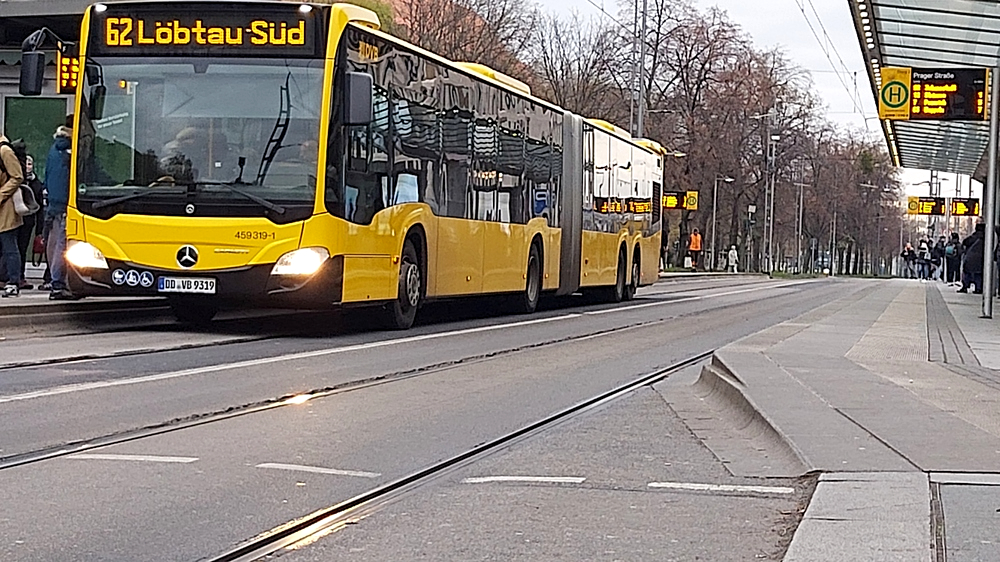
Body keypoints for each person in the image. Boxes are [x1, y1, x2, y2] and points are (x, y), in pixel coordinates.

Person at [44, 125, 74, 300]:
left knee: (53, 242)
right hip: (65, 203)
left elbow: (48, 175)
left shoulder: (53, 149)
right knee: (62, 245)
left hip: (53, 202)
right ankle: (58, 284)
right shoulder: (69, 153)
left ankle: (53, 279)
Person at [12, 155, 44, 290]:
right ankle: (11, 275)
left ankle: (20, 276)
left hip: (28, 221)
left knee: (22, 248)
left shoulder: (36, 183)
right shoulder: (16, 178)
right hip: (14, 219)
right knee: (12, 248)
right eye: (25, 163)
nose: (27, 166)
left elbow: (39, 206)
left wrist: (39, 231)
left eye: (30, 163)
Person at [0, 132, 25, 297]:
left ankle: (13, 281)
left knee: (9, 246)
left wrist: (1, 195)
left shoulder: (4, 151)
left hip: (6, 207)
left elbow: (17, 176)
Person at [959, 223, 985, 294]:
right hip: (981, 259)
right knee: (978, 275)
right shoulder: (987, 238)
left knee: (967, 273)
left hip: (970, 258)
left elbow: (965, 242)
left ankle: (965, 287)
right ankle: (978, 289)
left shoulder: (973, 236)